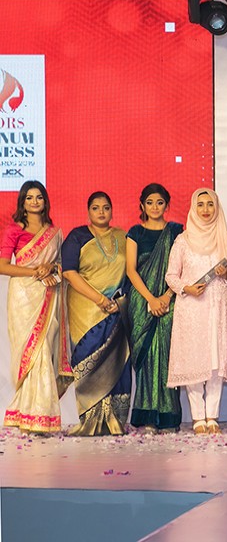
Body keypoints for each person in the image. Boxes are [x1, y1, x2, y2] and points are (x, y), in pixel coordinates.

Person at [165, 189, 227, 435]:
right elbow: (171, 276)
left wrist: (225, 274)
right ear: (193, 208)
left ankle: (212, 416)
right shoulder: (183, 240)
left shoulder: (225, 238)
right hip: (192, 308)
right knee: (194, 360)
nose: (206, 210)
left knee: (217, 362)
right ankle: (198, 417)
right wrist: (186, 288)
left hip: (219, 306)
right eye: (201, 205)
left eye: (210, 204)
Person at [0, 181, 71, 434]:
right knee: (30, 354)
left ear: (45, 201)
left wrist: (49, 269)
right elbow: (3, 266)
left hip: (47, 294)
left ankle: (38, 415)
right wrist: (34, 271)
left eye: (38, 197)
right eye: (29, 198)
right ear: (22, 202)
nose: (34, 202)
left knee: (43, 352)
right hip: (23, 296)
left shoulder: (54, 232)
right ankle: (32, 416)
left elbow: (60, 265)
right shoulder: (13, 230)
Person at [61, 192, 132, 436]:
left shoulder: (123, 236)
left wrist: (116, 301)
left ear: (112, 210)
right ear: (88, 211)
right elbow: (69, 273)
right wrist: (100, 299)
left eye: (105, 207)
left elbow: (131, 270)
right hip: (86, 310)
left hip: (116, 310)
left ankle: (114, 421)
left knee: (117, 364)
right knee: (87, 359)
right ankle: (91, 420)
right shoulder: (77, 236)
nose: (101, 212)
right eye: (95, 208)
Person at [124, 183, 183, 433]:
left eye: (160, 202)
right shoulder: (135, 232)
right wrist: (151, 298)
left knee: (169, 356)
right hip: (141, 301)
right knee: (147, 360)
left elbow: (182, 268)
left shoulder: (177, 231)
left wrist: (167, 296)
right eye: (150, 202)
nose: (155, 207)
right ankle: (146, 416)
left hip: (172, 302)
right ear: (142, 206)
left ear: (167, 205)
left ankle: (169, 417)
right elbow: (131, 270)